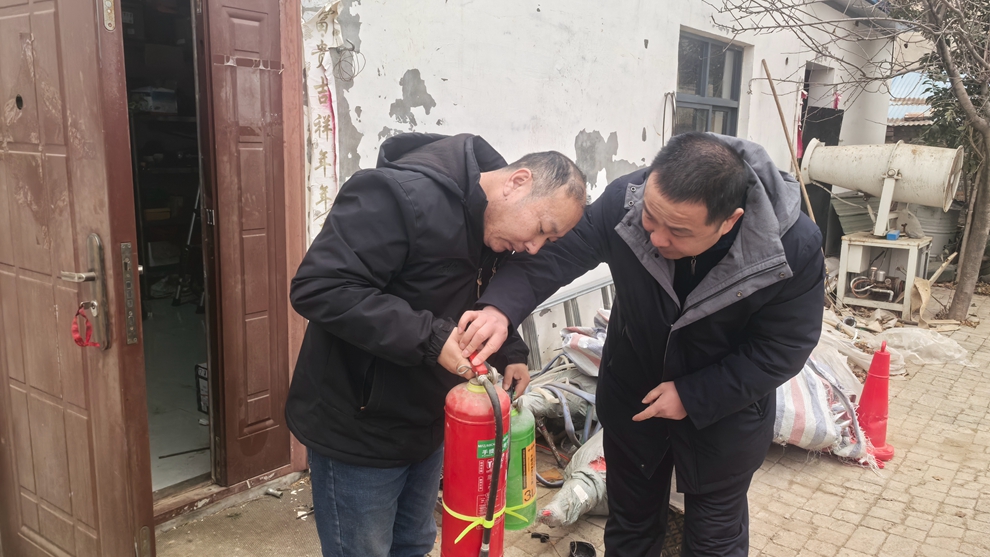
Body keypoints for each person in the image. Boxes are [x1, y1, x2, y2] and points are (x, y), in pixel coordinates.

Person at [458, 132, 825, 556]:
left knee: (715, 538)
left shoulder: (791, 246)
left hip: (723, 411)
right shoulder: (626, 201)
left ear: (729, 221)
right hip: (634, 393)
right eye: (651, 218)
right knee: (631, 525)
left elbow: (783, 346)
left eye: (678, 231)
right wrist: (500, 308)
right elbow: (556, 257)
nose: (656, 238)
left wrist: (693, 395)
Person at [286, 132, 587, 557]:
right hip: (359, 427)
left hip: (428, 425)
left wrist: (511, 353)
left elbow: (466, 294)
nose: (534, 248)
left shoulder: (490, 224)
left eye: (548, 242)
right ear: (517, 182)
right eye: (541, 230)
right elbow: (320, 287)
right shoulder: (397, 195)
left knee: (414, 543)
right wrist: (431, 337)